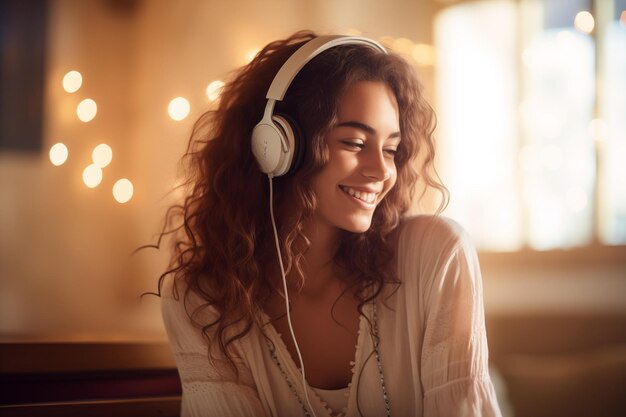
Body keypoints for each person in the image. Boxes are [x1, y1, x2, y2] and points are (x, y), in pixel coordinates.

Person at [157, 30, 502, 417]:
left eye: (391, 149)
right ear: (276, 147)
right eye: (354, 143)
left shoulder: (435, 256)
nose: (381, 171)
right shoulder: (201, 301)